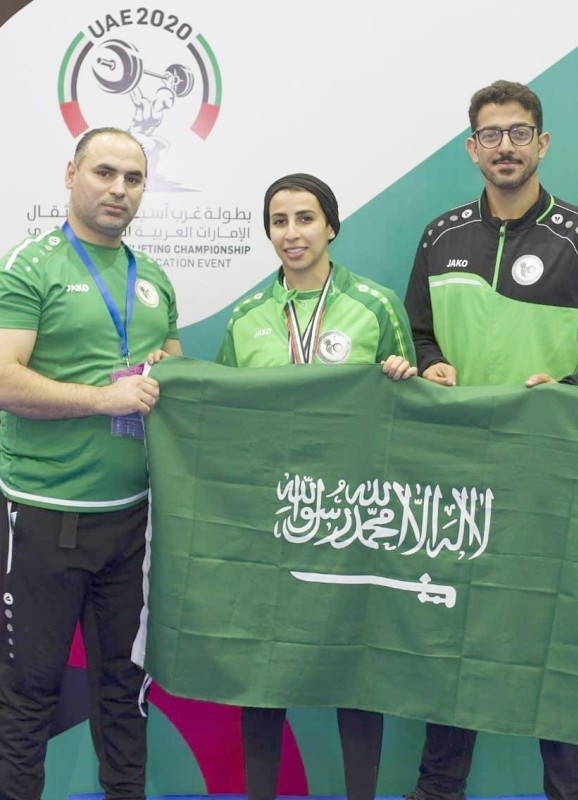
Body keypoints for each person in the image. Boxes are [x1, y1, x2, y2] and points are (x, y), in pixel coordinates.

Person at [403, 80, 578, 800]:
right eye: (491, 134)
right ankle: (438, 789)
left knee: (553, 638)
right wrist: (429, 365)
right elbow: (418, 336)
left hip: (549, 475)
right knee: (450, 635)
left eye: (519, 133)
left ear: (542, 143)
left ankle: (568, 792)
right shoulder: (440, 237)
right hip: (458, 477)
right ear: (471, 148)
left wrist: (564, 393)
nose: (504, 146)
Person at [217, 173, 417, 800]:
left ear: (331, 226)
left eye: (305, 218)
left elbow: (413, 410)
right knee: (263, 668)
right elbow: (222, 414)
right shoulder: (246, 316)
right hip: (272, 518)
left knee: (355, 665)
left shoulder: (376, 304)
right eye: (279, 221)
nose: (292, 233)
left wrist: (404, 374)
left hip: (352, 518)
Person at [0, 127, 181, 800]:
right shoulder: (30, 266)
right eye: (104, 172)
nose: (118, 189)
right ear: (71, 173)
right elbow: (4, 378)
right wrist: (104, 399)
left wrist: (168, 371)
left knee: (124, 692)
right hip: (45, 517)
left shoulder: (152, 276)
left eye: (133, 178)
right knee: (29, 692)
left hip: (131, 522)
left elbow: (173, 369)